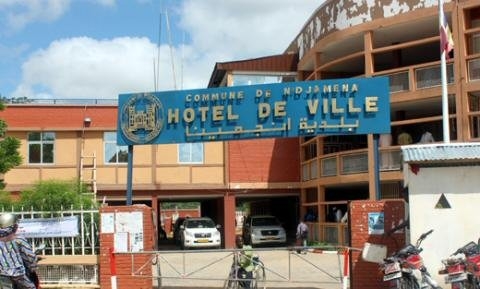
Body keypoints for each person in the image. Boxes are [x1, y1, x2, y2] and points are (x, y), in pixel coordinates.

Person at [0, 213, 38, 289]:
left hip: (2, 274)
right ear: (14, 227)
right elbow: (29, 257)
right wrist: (32, 267)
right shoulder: (19, 240)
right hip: (18, 274)